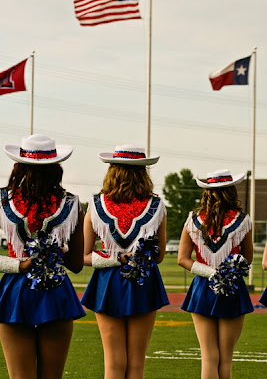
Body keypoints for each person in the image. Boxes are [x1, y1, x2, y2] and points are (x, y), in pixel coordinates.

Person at [0, 134, 85, 379]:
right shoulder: (71, 203)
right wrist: (56, 252)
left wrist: (21, 264)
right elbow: (77, 265)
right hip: (56, 291)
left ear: (18, 166)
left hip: (14, 292)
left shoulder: (2, 200)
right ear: (56, 168)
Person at [81, 145, 169, 379]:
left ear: (112, 171)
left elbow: (84, 256)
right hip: (144, 281)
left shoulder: (96, 204)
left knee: (114, 363)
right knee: (137, 364)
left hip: (107, 284)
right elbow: (159, 256)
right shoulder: (156, 205)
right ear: (143, 173)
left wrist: (114, 258)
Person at [178, 169, 253, 379]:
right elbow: (247, 259)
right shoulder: (243, 220)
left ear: (207, 193)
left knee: (209, 357)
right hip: (233, 287)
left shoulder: (192, 220)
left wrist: (210, 272)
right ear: (231, 192)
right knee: (226, 359)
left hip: (202, 289)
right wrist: (224, 273)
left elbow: (182, 259)